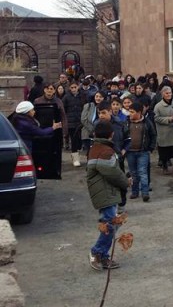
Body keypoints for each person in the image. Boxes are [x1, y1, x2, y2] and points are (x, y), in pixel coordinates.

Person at [87, 121, 131, 271]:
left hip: (105, 191)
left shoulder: (96, 148)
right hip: (104, 192)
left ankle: (104, 256)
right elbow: (113, 173)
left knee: (112, 224)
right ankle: (97, 251)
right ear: (112, 135)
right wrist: (126, 182)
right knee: (110, 225)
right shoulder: (105, 151)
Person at [125, 102, 157, 202]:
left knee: (142, 172)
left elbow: (153, 135)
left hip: (143, 152)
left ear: (139, 112)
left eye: (132, 112)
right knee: (133, 173)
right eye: (129, 111)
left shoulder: (147, 122)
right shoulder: (126, 123)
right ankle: (135, 192)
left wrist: (151, 148)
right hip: (130, 152)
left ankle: (145, 193)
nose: (130, 114)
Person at [154, 86, 173, 176]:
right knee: (164, 152)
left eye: (170, 93)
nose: (169, 95)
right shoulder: (158, 106)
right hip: (164, 133)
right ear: (162, 94)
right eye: (167, 93)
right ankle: (165, 167)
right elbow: (156, 118)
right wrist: (168, 119)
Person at [62, 81, 86, 167]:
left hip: (81, 121)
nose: (73, 89)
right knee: (74, 140)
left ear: (78, 87)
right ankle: (75, 158)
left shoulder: (82, 96)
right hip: (71, 122)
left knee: (80, 140)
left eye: (75, 87)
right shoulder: (66, 97)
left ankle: (78, 153)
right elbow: (63, 109)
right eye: (72, 87)